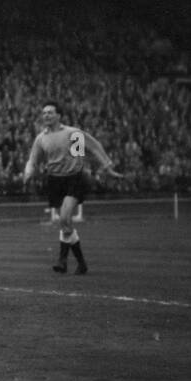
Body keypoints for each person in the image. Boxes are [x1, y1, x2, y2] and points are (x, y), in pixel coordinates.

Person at [22, 102, 122, 275]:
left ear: (59, 115)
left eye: (50, 112)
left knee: (64, 217)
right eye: (44, 112)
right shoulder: (41, 139)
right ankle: (81, 263)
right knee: (65, 222)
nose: (46, 115)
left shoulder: (72, 133)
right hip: (55, 181)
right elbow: (33, 159)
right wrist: (28, 172)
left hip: (74, 179)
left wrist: (107, 167)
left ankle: (62, 261)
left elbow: (93, 147)